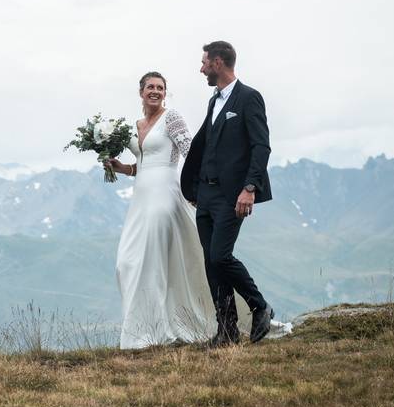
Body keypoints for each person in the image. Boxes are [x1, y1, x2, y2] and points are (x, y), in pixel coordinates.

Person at [106, 72, 219, 347]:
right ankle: (148, 328)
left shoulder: (172, 118)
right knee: (126, 262)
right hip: (140, 201)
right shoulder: (134, 125)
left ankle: (152, 335)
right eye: (150, 87)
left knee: (153, 262)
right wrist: (123, 169)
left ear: (165, 93)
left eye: (160, 88)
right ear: (141, 92)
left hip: (165, 197)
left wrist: (197, 190)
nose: (155, 91)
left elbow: (191, 153)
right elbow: (143, 164)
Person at [180, 40, 275, 346]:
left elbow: (261, 146)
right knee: (211, 263)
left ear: (218, 63)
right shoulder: (213, 101)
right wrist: (194, 186)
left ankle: (260, 305)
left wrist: (249, 189)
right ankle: (227, 331)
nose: (201, 68)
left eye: (205, 62)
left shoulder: (249, 98)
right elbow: (206, 145)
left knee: (221, 256)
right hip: (205, 196)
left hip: (232, 195)